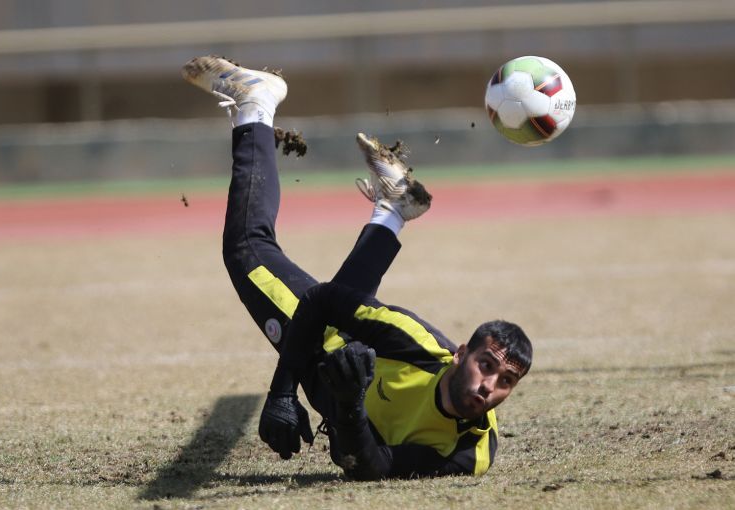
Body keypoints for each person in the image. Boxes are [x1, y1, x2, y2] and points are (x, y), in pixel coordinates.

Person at [182, 56, 533, 480]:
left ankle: (393, 210)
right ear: (460, 354)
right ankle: (256, 105)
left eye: (505, 381)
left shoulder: (470, 452)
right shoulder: (414, 344)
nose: (488, 386)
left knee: (326, 293)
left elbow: (375, 468)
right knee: (247, 248)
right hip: (319, 339)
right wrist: (282, 392)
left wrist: (349, 409)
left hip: (333, 384)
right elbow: (323, 302)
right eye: (487, 365)